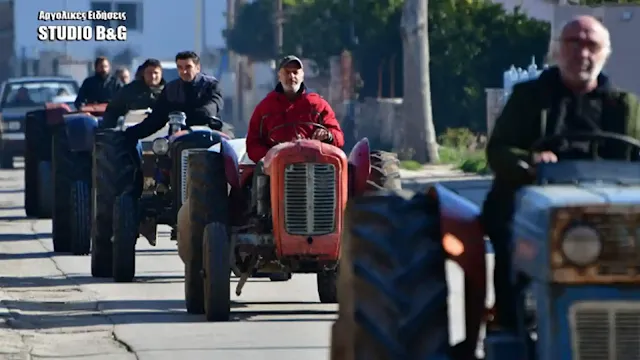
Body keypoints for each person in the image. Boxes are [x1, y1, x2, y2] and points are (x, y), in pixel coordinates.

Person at [483, 16, 640, 331]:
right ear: (557, 51)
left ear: (604, 54)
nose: (583, 53)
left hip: (609, 209)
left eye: (591, 45)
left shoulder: (624, 105)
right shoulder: (529, 97)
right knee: (511, 245)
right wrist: (529, 161)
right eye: (574, 43)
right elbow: (498, 150)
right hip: (533, 203)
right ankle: (513, 325)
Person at [245, 55, 344, 163]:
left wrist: (328, 135)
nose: (291, 76)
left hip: (314, 166)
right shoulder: (265, 108)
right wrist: (271, 156)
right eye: (287, 72)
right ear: (279, 76)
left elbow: (338, 136)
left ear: (302, 76)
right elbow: (252, 143)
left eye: (295, 72)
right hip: (276, 169)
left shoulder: (317, 105)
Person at [124, 51, 223, 142]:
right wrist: (129, 134)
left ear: (197, 68)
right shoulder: (171, 89)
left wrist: (202, 114)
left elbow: (214, 103)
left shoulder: (210, 85)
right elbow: (156, 120)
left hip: (208, 135)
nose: (184, 72)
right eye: (180, 67)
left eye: (188, 67)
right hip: (179, 138)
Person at [102, 58, 166, 129]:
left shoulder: (168, 92)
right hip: (132, 131)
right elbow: (112, 111)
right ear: (143, 73)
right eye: (149, 73)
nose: (153, 76)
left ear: (161, 74)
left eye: (156, 73)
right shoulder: (129, 90)